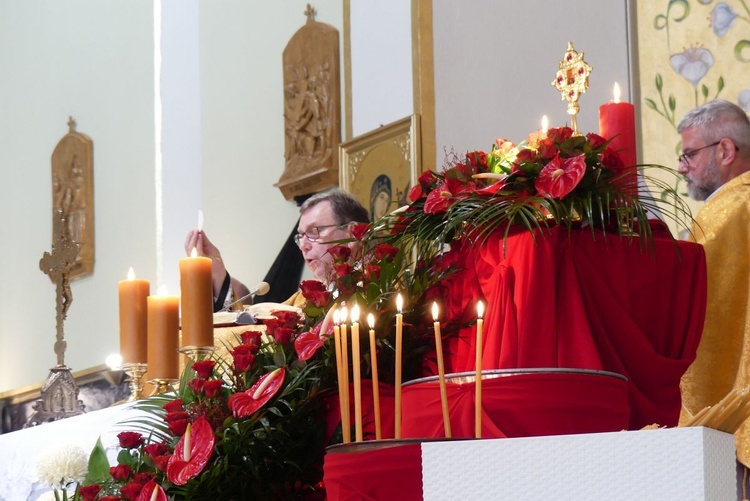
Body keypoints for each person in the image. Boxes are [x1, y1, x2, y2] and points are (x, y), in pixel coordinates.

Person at [676, 99, 750, 469]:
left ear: (725, 149)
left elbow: (690, 298)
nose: (681, 167)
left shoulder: (727, 209)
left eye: (689, 154)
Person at [185, 188, 370, 310]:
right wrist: (216, 271)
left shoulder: (382, 288)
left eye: (314, 231)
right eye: (300, 236)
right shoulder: (302, 303)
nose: (304, 246)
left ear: (352, 233)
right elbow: (247, 330)